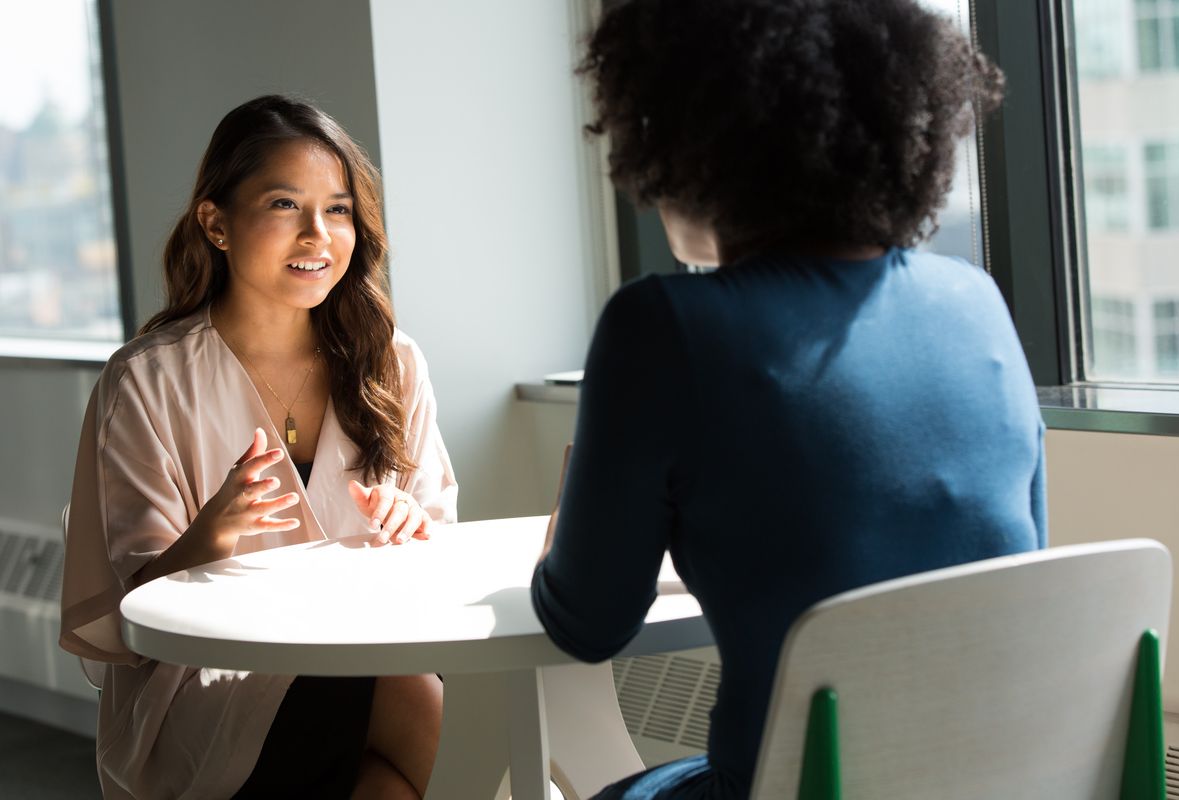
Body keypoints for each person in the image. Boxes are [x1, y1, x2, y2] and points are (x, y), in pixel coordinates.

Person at [531, 1, 1044, 798]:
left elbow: (587, 625)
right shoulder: (977, 303)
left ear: (687, 136)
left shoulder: (664, 326)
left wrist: (571, 526)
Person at [59, 95, 456, 799]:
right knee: (418, 702)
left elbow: (441, 552)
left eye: (338, 209)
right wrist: (205, 542)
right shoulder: (147, 382)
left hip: (374, 653)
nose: (318, 235)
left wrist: (413, 526)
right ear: (216, 223)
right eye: (284, 205)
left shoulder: (393, 363)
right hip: (206, 690)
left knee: (393, 771)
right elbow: (131, 620)